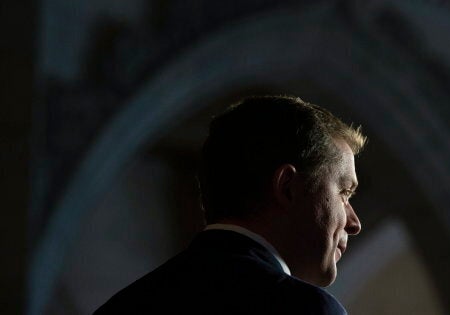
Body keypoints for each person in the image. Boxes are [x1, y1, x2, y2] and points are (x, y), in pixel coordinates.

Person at [94, 95, 366, 314]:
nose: (354, 223)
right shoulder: (303, 308)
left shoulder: (120, 306)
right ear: (287, 187)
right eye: (344, 192)